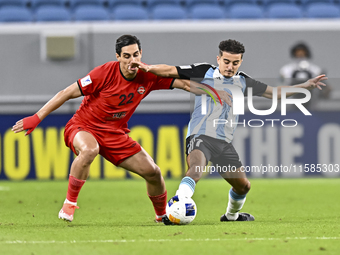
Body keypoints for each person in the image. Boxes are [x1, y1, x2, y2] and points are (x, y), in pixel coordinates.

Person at [11, 35, 228, 224]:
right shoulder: (103, 73)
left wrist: (211, 92)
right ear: (118, 57)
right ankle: (69, 204)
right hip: (83, 126)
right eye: (127, 56)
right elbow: (66, 92)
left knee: (154, 173)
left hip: (114, 134)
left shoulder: (148, 75)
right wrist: (36, 117)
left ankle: (162, 215)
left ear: (141, 53)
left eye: (135, 55)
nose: (132, 61)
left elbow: (184, 84)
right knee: (89, 150)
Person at [130, 39, 327, 223]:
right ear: (218, 59)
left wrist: (304, 86)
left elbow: (274, 93)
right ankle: (177, 205)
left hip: (223, 143)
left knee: (243, 186)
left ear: (240, 62)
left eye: (235, 63)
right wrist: (148, 68)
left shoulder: (243, 81)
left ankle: (231, 216)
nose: (230, 67)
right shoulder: (204, 71)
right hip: (200, 135)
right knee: (196, 168)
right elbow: (170, 70)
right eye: (226, 61)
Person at [280, 42, 331, 110]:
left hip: (311, 98)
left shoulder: (315, 69)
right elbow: (283, 82)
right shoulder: (286, 69)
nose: (300, 54)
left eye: (302, 51)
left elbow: (320, 84)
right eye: (298, 51)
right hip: (292, 97)